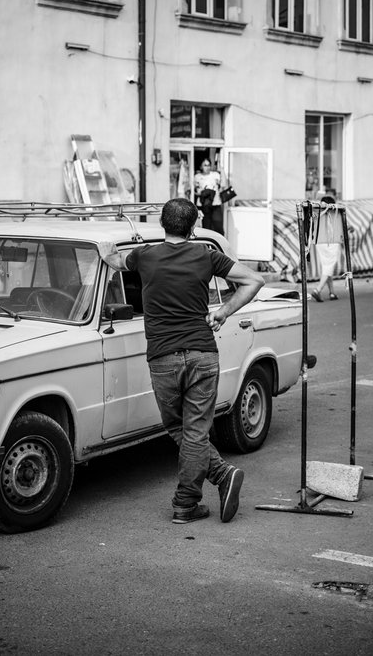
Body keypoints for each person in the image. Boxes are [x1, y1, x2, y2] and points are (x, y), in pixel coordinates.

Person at [98, 198, 264, 524]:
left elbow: (116, 261)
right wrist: (223, 311)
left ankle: (188, 502)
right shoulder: (206, 255)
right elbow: (253, 280)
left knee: (179, 428)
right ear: (192, 227)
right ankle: (218, 477)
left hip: (162, 357)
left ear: (162, 223)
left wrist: (106, 252)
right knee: (195, 431)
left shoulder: (144, 256)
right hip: (203, 354)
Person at [310, 195, 342, 302]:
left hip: (320, 242)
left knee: (327, 267)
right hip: (332, 242)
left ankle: (332, 292)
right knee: (329, 266)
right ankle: (317, 290)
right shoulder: (335, 212)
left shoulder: (318, 212)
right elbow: (343, 226)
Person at [193, 159, 224, 235]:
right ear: (201, 166)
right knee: (206, 228)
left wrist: (222, 170)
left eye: (209, 165)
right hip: (203, 206)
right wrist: (204, 192)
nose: (207, 167)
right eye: (205, 165)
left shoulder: (215, 175)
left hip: (215, 204)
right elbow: (195, 192)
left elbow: (223, 186)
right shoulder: (197, 177)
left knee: (218, 227)